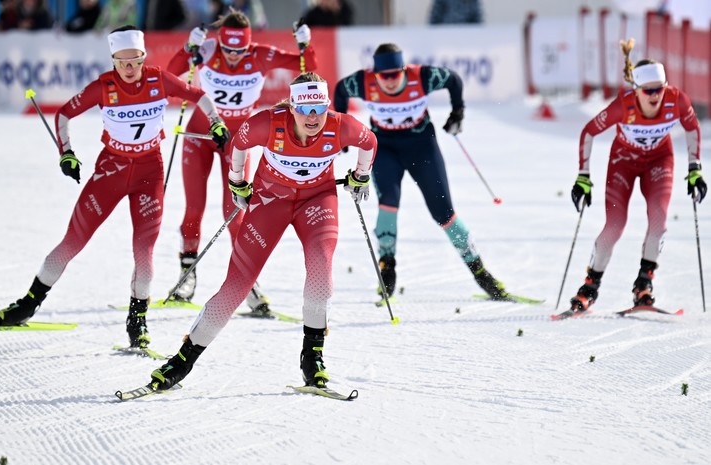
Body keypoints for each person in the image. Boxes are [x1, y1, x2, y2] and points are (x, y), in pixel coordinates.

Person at [0, 25, 230, 353]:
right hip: (111, 170)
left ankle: (137, 320)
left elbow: (198, 96)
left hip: (149, 174)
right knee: (73, 241)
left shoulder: (158, 80)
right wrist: (67, 153)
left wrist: (216, 123)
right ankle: (28, 304)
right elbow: (64, 114)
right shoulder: (104, 86)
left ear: (143, 57)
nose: (129, 69)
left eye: (135, 61)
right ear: (113, 60)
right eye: (121, 62)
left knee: (144, 252)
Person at [145, 72, 377, 391]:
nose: (313, 117)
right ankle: (181, 362)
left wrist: (361, 175)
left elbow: (370, 142)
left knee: (321, 267)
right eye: (305, 109)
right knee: (237, 284)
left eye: (319, 109)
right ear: (291, 107)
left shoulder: (341, 125)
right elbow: (239, 144)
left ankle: (313, 359)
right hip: (270, 201)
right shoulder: (267, 123)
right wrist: (237, 182)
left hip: (317, 201)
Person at [164, 8, 317, 316]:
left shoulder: (261, 55)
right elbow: (171, 73)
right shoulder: (208, 49)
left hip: (239, 141)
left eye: (239, 50)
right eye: (228, 50)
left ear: (248, 45)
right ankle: (186, 275)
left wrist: (306, 45)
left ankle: (247, 281)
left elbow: (307, 69)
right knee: (194, 206)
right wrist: (188, 49)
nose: (233, 57)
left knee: (236, 210)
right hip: (200, 135)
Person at [333, 43, 512, 302]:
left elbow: (454, 80)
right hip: (385, 149)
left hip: (422, 147)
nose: (391, 81)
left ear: (404, 70)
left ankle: (480, 272)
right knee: (388, 204)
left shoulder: (423, 76)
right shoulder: (363, 82)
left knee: (444, 213)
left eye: (396, 74)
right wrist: (343, 129)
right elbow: (340, 89)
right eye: (385, 76)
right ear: (376, 74)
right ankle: (387, 267)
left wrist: (457, 111)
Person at [564, 40, 704, 315]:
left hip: (658, 162)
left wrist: (695, 168)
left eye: (659, 89)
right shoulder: (623, 106)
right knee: (615, 225)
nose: (655, 96)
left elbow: (692, 128)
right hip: (623, 163)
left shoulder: (677, 100)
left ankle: (644, 285)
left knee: (658, 220)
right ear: (637, 90)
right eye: (648, 90)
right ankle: (589, 288)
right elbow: (589, 132)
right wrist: (583, 176)